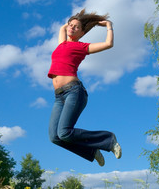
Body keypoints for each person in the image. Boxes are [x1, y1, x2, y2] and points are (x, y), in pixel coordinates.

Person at [48, 9, 122, 167]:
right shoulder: (62, 43)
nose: (71, 28)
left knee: (64, 132)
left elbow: (108, 44)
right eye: (70, 25)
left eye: (76, 27)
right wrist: (77, 20)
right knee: (55, 137)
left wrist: (108, 25)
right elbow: (62, 28)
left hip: (73, 92)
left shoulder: (82, 47)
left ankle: (108, 139)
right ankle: (92, 151)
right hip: (58, 97)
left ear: (82, 33)